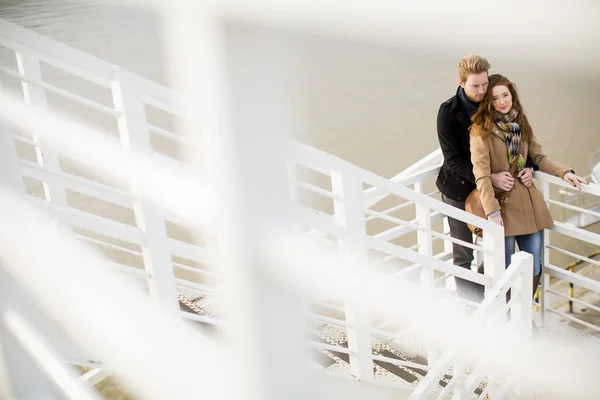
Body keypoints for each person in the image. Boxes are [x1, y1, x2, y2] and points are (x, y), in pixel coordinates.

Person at [469, 74, 588, 297]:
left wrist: (565, 173)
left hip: (528, 206)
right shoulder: (480, 131)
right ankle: (503, 320)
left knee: (534, 267)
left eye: (506, 95)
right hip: (501, 209)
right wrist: (492, 212)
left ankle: (522, 319)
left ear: (512, 96)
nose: (502, 101)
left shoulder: (520, 124)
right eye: (495, 98)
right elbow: (481, 175)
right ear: (488, 102)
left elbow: (539, 157)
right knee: (502, 271)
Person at [436, 56, 536, 302]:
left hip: (498, 192)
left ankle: (494, 303)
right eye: (475, 86)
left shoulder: (494, 103)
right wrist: (488, 178)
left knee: (499, 251)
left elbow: (515, 140)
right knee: (464, 255)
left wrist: (529, 165)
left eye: (484, 84)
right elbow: (452, 160)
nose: (482, 91)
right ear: (461, 83)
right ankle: (472, 311)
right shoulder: (447, 112)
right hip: (459, 191)